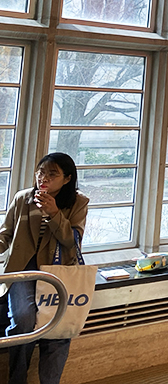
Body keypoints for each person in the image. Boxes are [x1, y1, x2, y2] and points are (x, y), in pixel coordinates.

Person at [0, 152, 89, 384]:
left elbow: (72, 241)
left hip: (57, 271)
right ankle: (16, 379)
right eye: (41, 172)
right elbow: (5, 235)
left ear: (67, 179)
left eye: (52, 174)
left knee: (58, 328)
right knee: (22, 320)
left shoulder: (78, 203)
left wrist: (54, 214)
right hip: (23, 269)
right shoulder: (23, 198)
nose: (44, 178)